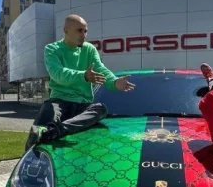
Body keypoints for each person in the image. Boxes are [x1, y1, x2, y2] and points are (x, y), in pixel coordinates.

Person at [24, 14, 135, 151]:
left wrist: (114, 81)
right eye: (79, 30)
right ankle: (30, 152)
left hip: (83, 105)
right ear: (66, 30)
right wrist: (84, 76)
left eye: (85, 31)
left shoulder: (89, 49)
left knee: (101, 109)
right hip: (60, 101)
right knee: (48, 108)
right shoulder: (52, 49)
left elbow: (101, 69)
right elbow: (58, 74)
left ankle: (55, 130)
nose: (84, 35)